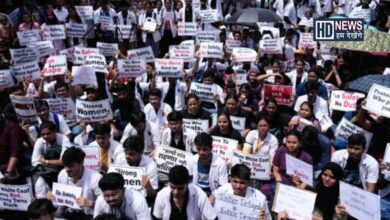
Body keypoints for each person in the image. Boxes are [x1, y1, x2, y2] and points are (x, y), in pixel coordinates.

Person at [48, 147, 102, 219]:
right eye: (65, 165)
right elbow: (59, 201)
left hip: (89, 215)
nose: (67, 169)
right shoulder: (62, 174)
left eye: (71, 166)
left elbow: (106, 204)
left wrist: (90, 203)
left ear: (81, 163)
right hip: (67, 213)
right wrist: (52, 198)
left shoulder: (96, 178)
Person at [260, 130, 313, 201]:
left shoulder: (306, 157)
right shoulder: (281, 151)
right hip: (282, 181)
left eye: (294, 143)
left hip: (298, 185)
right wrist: (279, 184)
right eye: (289, 142)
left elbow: (307, 180)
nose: (291, 145)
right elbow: (276, 171)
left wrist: (299, 188)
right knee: (264, 189)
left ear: (300, 143)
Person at [153, 165, 217, 219]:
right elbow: (157, 217)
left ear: (187, 184)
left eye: (180, 188)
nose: (176, 192)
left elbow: (212, 217)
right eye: (172, 187)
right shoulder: (161, 195)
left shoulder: (199, 195)